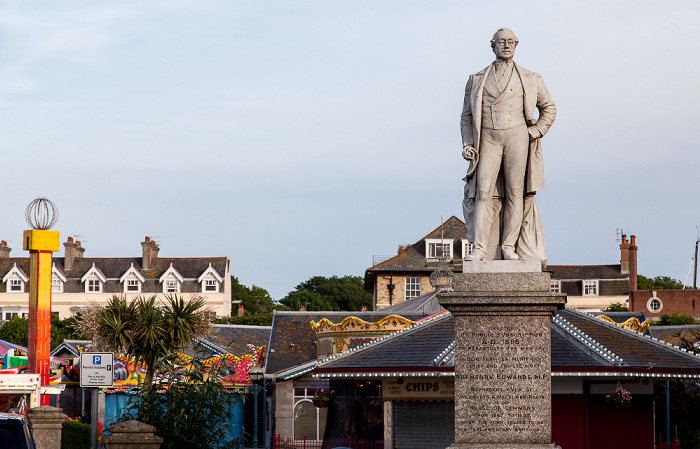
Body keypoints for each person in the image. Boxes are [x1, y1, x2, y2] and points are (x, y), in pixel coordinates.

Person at [461, 28, 556, 261]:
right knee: (483, 194)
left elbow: (549, 109)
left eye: (511, 42)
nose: (506, 45)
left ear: (516, 44)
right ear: (492, 45)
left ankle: (508, 246)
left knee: (516, 193)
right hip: (488, 141)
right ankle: (480, 249)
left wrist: (535, 132)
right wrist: (467, 143)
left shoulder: (532, 78)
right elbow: (465, 116)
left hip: (517, 139)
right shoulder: (475, 80)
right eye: (501, 42)